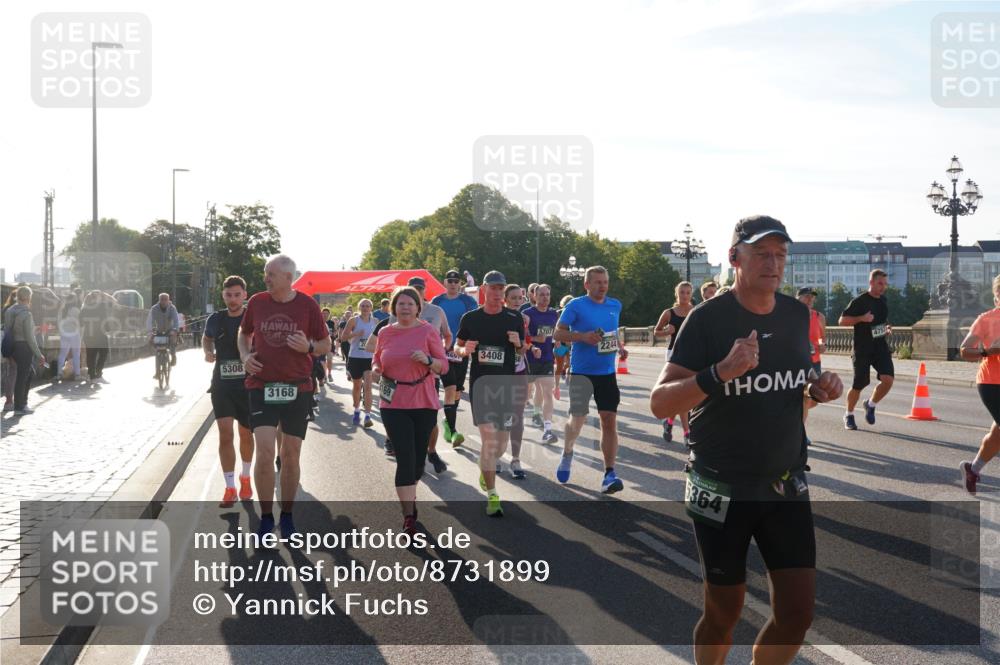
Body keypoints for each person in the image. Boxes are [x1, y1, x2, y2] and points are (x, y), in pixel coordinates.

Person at [650, 214, 843, 665]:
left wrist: (818, 389)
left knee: (797, 614)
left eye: (780, 254)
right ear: (735, 258)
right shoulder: (707, 320)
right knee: (724, 610)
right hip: (720, 485)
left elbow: (796, 386)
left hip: (785, 482)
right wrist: (720, 372)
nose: (773, 263)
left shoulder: (797, 315)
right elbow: (660, 403)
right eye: (761, 253)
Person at [238, 254, 331, 540]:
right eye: (266, 273)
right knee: (265, 453)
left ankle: (287, 517)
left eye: (271, 274)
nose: (266, 278)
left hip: (297, 387)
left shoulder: (307, 305)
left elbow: (325, 344)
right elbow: (244, 334)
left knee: (290, 455)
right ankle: (267, 518)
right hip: (261, 385)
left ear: (288, 278)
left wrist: (309, 346)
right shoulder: (256, 302)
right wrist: (244, 357)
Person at [371, 286, 448, 535]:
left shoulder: (427, 331)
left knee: (417, 462)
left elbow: (443, 366)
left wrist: (427, 360)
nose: (405, 308)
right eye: (401, 304)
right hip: (393, 402)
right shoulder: (385, 332)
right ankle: (408, 516)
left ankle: (410, 496)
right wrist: (375, 370)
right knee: (404, 458)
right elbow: (377, 358)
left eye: (410, 304)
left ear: (418, 308)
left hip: (423, 401)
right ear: (394, 307)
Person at [553, 267, 628, 493]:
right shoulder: (575, 305)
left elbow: (611, 333)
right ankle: (567, 452)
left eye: (605, 282)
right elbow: (558, 334)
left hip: (606, 373)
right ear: (587, 284)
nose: (602, 286)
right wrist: (581, 337)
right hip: (581, 372)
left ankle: (609, 473)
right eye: (597, 282)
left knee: (608, 419)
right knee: (578, 419)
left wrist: (620, 347)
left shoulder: (615, 305)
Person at [456, 270, 525, 516]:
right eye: (493, 288)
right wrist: (465, 350)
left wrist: (519, 343)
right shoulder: (470, 318)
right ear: (484, 289)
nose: (497, 292)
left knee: (502, 443)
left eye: (500, 288)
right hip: (481, 385)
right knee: (488, 438)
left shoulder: (514, 318)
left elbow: (521, 352)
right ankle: (493, 494)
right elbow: (457, 345)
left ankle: (485, 466)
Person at [203, 276, 255, 508]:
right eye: (228, 295)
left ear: (244, 295)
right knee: (225, 434)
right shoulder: (216, 318)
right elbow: (207, 338)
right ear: (223, 296)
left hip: (247, 384)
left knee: (246, 434)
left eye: (237, 295)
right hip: (222, 384)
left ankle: (245, 477)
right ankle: (229, 487)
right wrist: (207, 351)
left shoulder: (252, 318)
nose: (232, 299)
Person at [959, 274, 1000, 494]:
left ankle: (972, 470)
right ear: (996, 297)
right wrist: (987, 351)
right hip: (992, 383)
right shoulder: (986, 319)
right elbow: (964, 350)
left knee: (997, 435)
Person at [840, 269, 894, 431]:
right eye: (879, 283)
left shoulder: (883, 300)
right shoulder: (860, 301)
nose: (883, 287)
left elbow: (880, 323)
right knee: (859, 384)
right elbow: (842, 321)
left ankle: (870, 404)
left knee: (888, 379)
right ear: (871, 282)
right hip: (862, 349)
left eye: (885, 284)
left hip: (880, 347)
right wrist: (861, 318)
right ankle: (849, 414)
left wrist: (886, 328)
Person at [430, 269, 479, 448]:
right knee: (450, 388)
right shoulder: (437, 301)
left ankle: (447, 420)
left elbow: (474, 322)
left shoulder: (468, 301)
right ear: (445, 282)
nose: (452, 283)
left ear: (460, 283)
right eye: (449, 280)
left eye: (456, 281)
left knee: (457, 389)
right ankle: (452, 429)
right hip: (441, 350)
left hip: (460, 349)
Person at [654, 281, 695, 444]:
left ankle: (669, 422)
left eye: (687, 292)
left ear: (691, 294)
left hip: (693, 354)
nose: (684, 295)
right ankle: (687, 433)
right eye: (682, 292)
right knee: (681, 394)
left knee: (682, 394)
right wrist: (666, 332)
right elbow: (656, 332)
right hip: (674, 355)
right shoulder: (669, 313)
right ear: (676, 294)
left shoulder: (695, 311)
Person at [501, 284, 532, 479]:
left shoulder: (524, 319)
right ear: (505, 299)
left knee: (517, 416)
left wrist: (522, 345)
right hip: (499, 374)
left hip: (519, 371)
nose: (517, 301)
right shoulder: (496, 317)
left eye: (519, 298)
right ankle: (496, 455)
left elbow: (525, 346)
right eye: (513, 298)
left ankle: (515, 459)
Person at [3, 286, 49, 414]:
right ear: (29, 297)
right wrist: (39, 355)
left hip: (11, 345)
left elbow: (9, 329)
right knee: (24, 376)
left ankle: (17, 403)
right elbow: (30, 338)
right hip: (24, 347)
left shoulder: (9, 311)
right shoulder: (27, 314)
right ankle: (20, 405)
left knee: (19, 374)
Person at [525, 284, 559, 444]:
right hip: (529, 358)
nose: (545, 297)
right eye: (541, 295)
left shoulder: (554, 314)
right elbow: (521, 337)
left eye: (547, 294)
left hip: (546, 359)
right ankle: (513, 419)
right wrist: (535, 339)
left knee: (547, 392)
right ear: (534, 296)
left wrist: (558, 341)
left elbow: (556, 332)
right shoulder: (527, 314)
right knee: (526, 393)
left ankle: (547, 429)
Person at [341, 298, 378, 427]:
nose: (365, 308)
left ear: (371, 308)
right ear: (359, 307)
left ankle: (367, 416)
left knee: (368, 387)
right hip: (355, 357)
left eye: (368, 306)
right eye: (363, 306)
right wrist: (355, 334)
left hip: (369, 358)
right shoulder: (353, 320)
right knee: (357, 386)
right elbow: (343, 337)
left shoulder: (375, 322)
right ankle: (356, 410)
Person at [798, 287, 826, 442]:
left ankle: (796, 419)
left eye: (812, 297)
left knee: (815, 398)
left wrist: (823, 345)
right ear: (798, 298)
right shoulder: (791, 315)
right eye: (806, 297)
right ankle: (800, 433)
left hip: (814, 361)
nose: (810, 300)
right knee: (805, 399)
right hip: (796, 362)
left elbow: (822, 337)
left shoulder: (819, 316)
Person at [80, 290, 111, 382]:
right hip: (100, 334)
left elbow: (80, 322)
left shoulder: (84, 308)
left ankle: (92, 374)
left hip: (88, 335)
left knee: (91, 355)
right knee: (104, 353)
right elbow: (105, 319)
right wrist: (108, 328)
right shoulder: (101, 307)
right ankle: (98, 371)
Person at [53, 292, 82, 382]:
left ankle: (59, 374)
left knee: (62, 354)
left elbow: (58, 322)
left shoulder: (62, 310)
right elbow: (80, 323)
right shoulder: (76, 310)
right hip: (74, 334)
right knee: (76, 354)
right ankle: (77, 374)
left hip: (64, 334)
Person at [146, 293, 180, 369]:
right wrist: (149, 331)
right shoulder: (154, 308)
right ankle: (157, 370)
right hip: (159, 330)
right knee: (153, 342)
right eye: (162, 299)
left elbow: (176, 320)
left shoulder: (172, 308)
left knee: (172, 340)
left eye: (165, 299)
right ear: (159, 300)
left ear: (168, 300)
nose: (164, 301)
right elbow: (149, 320)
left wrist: (175, 330)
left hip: (170, 330)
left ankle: (173, 356)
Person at [2, 291, 17, 411]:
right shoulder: (16, 311)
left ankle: (9, 399)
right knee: (13, 371)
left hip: (6, 342)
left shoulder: (6, 309)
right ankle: (10, 400)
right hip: (14, 343)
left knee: (10, 371)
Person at [321, 307, 336, 381]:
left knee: (329, 359)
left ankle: (329, 373)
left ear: (329, 315)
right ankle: (324, 375)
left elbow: (334, 333)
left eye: (327, 314)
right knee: (322, 360)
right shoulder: (319, 322)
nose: (325, 315)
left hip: (330, 344)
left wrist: (334, 334)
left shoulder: (331, 323)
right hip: (322, 344)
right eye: (323, 314)